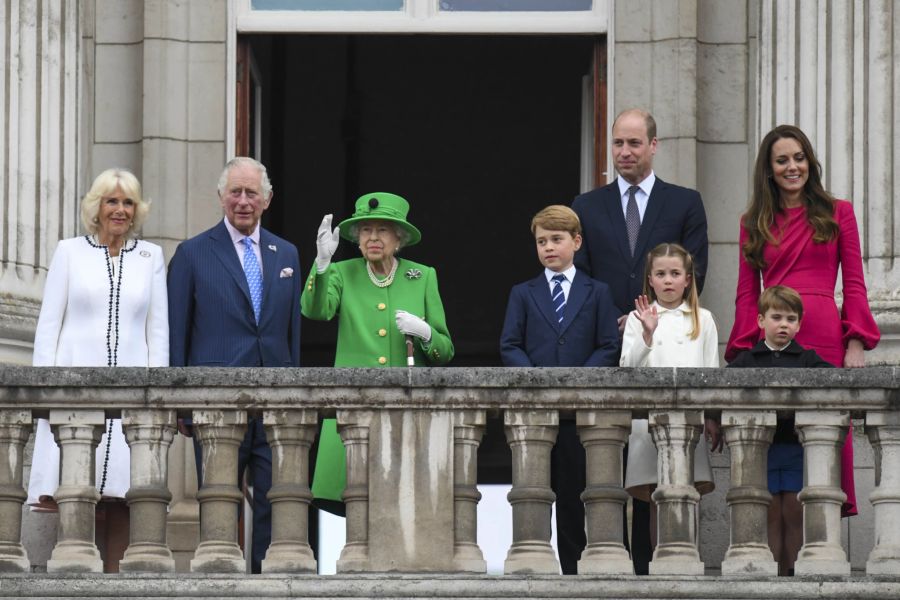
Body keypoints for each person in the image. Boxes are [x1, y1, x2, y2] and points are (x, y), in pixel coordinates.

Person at [572, 108, 709, 573]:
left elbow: (696, 271)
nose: (624, 152)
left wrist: (654, 318)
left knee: (658, 462)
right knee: (600, 461)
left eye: (634, 143)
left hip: (665, 345)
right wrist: (618, 321)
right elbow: (582, 275)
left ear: (654, 145)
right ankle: (597, 566)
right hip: (603, 345)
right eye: (618, 144)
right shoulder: (586, 206)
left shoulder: (684, 202)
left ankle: (655, 566)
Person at [724, 124, 880, 516]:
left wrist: (855, 341)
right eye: (782, 160)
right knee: (777, 444)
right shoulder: (752, 221)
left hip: (824, 333)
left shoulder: (838, 211)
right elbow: (746, 293)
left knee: (825, 436)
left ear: (810, 161)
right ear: (769, 169)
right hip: (773, 338)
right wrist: (744, 351)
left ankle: (823, 539)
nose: (792, 167)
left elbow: (855, 281)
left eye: (799, 158)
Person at [29, 168, 168, 572]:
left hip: (131, 397)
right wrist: (43, 393)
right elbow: (48, 327)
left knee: (125, 496)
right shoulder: (69, 252)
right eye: (112, 201)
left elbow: (157, 332)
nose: (120, 210)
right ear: (97, 207)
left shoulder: (150, 257)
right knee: (73, 494)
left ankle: (117, 588)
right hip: (73, 393)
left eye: (127, 202)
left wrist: (156, 399)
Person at [167, 156, 301, 573]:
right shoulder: (191, 254)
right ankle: (218, 581)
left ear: (267, 199)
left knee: (276, 501)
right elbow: (177, 333)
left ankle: (265, 583)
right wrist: (182, 403)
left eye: (252, 193)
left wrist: (293, 395)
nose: (243, 201)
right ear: (221, 196)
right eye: (236, 192)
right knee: (219, 499)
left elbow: (291, 333)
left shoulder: (288, 253)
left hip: (275, 402)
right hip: (216, 402)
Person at [301, 192, 453, 511]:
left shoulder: (422, 276)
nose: (372, 237)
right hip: (355, 408)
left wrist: (425, 333)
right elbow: (316, 311)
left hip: (406, 410)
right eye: (366, 230)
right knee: (357, 503)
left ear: (399, 237)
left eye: (382, 230)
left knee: (408, 505)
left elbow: (445, 350)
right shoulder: (342, 272)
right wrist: (322, 263)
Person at [499, 205, 619, 574]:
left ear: (576, 242)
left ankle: (572, 574)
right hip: (535, 413)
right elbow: (509, 344)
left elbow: (609, 344)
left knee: (574, 494)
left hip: (579, 413)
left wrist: (579, 380)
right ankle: (537, 570)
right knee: (533, 493)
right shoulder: (523, 292)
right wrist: (536, 379)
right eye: (541, 241)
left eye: (556, 239)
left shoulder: (597, 291)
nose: (549, 247)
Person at [620, 243, 720, 552]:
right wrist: (647, 335)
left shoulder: (703, 318)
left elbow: (712, 372)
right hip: (648, 420)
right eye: (660, 274)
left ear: (688, 279)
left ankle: (687, 560)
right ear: (649, 279)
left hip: (692, 421)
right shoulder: (638, 319)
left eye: (675, 274)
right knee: (655, 496)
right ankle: (659, 564)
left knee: (687, 493)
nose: (667, 281)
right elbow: (627, 370)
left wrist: (712, 416)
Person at [727, 285, 833, 576]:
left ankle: (793, 573)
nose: (783, 324)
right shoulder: (748, 360)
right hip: (763, 451)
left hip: (796, 449)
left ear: (799, 324)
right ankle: (771, 574)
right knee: (770, 512)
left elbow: (835, 382)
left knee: (795, 512)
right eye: (776, 317)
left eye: (790, 319)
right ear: (761, 321)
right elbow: (722, 385)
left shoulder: (808, 359)